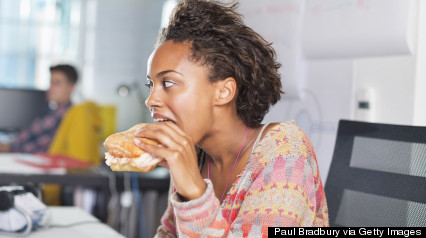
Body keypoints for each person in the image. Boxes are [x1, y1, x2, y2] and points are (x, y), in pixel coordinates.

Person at [132, 1, 329, 237]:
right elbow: (170, 231)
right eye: (151, 85)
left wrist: (195, 192)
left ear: (223, 92)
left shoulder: (285, 153)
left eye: (169, 83)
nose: (151, 99)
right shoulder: (192, 153)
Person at [0, 64, 78, 154]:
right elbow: (27, 138)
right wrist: (0, 145)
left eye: (57, 83)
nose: (50, 88)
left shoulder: (65, 116)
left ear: (71, 87)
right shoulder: (51, 112)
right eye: (50, 83)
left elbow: (36, 149)